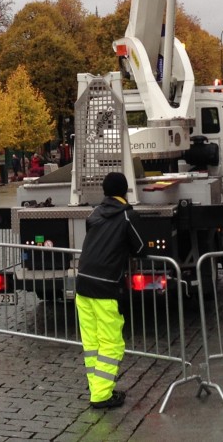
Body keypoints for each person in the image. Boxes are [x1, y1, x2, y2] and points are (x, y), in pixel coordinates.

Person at [76, 172, 144, 409]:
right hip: (105, 286)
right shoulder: (127, 216)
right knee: (111, 343)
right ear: (125, 191)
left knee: (92, 342)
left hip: (82, 284)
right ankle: (101, 396)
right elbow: (140, 247)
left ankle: (99, 389)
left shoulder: (94, 213)